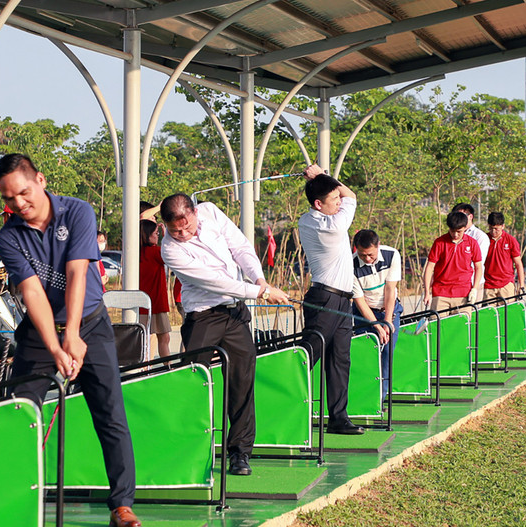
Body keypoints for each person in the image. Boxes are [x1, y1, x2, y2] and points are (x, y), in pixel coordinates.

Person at [0, 154, 141, 527]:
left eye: (24, 193)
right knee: (21, 413)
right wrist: (57, 347)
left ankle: (122, 503)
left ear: (40, 180)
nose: (19, 204)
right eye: (9, 199)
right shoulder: (9, 235)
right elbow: (32, 293)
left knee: (110, 414)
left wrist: (73, 334)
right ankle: (12, 500)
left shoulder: (77, 212)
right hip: (40, 335)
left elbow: (77, 272)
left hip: (90, 324)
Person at [160, 192, 289, 476]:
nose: (181, 234)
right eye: (174, 230)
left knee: (242, 382)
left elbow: (240, 246)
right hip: (203, 316)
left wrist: (259, 278)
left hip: (235, 313)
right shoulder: (169, 249)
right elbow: (216, 282)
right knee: (192, 379)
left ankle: (240, 453)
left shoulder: (210, 211)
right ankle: (185, 447)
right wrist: (261, 292)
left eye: (186, 227)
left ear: (194, 213)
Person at [297, 165, 365, 435]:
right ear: (318, 204)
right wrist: (321, 175)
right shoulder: (332, 224)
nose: (339, 202)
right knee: (307, 355)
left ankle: (338, 417)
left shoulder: (314, 217)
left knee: (339, 359)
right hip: (324, 299)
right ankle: (282, 407)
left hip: (342, 301)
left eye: (338, 199)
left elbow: (346, 196)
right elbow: (352, 196)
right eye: (333, 200)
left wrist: (322, 179)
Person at [350, 228, 402, 389]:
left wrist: (387, 321)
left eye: (370, 255)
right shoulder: (350, 265)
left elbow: (390, 289)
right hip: (364, 312)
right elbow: (359, 300)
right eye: (362, 254)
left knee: (387, 353)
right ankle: (366, 395)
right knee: (367, 353)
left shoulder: (392, 255)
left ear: (378, 245)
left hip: (389, 308)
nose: (367, 259)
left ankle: (381, 397)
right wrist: (377, 326)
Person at [421, 211, 484, 312]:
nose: (455, 234)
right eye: (452, 231)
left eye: (459, 231)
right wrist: (427, 292)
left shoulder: (472, 243)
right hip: (441, 293)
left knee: (462, 326)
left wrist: (475, 289)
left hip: (463, 293)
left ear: (464, 228)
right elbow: (430, 267)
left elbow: (478, 267)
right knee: (438, 326)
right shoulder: (439, 242)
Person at [138, 219, 172, 358]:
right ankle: (167, 367)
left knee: (142, 340)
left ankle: (143, 369)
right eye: (155, 233)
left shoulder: (136, 254)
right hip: (157, 304)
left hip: (140, 304)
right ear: (147, 235)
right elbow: (170, 253)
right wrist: (167, 236)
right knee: (164, 339)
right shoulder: (156, 252)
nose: (157, 236)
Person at [482, 211, 525, 299]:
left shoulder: (511, 240)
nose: (493, 231)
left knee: (506, 312)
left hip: (506, 285)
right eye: (491, 228)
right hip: (488, 285)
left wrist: (522, 286)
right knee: (489, 312)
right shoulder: (484, 239)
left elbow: (518, 264)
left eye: (496, 229)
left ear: (503, 226)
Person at [452, 202, 490, 268]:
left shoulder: (480, 236)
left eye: (462, 216)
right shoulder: (451, 235)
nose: (458, 219)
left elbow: (478, 262)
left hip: (472, 277)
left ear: (470, 216)